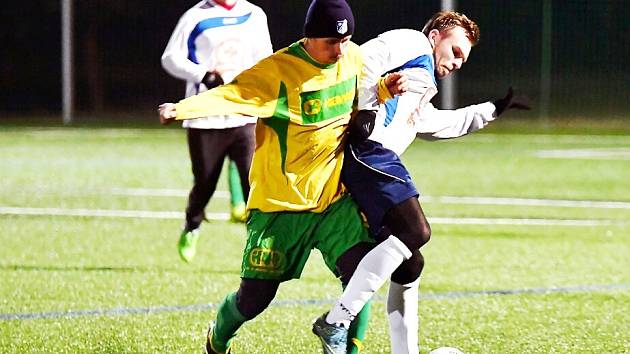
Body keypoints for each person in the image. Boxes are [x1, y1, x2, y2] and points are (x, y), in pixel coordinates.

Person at [158, 1, 406, 352]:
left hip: (331, 200)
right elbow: (232, 95)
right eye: (331, 42)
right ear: (309, 37)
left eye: (346, 40)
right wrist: (181, 109)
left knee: (361, 276)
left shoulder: (352, 58)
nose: (340, 50)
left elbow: (360, 93)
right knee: (254, 299)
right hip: (280, 209)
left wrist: (383, 88)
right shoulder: (278, 72)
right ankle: (218, 339)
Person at [314, 11, 530, 354]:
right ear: (434, 37)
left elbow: (439, 124)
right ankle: (336, 321)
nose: (458, 62)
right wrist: (368, 108)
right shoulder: (412, 42)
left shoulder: (421, 87)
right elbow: (364, 58)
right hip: (365, 152)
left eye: (465, 59)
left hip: (378, 161)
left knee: (411, 262)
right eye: (456, 51)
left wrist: (492, 109)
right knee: (417, 231)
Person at [161, 0, 273, 263]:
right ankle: (192, 226)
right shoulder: (195, 16)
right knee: (205, 183)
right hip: (205, 116)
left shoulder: (254, 15)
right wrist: (203, 74)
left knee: (252, 181)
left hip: (244, 114)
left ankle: (258, 244)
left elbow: (267, 59)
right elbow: (170, 58)